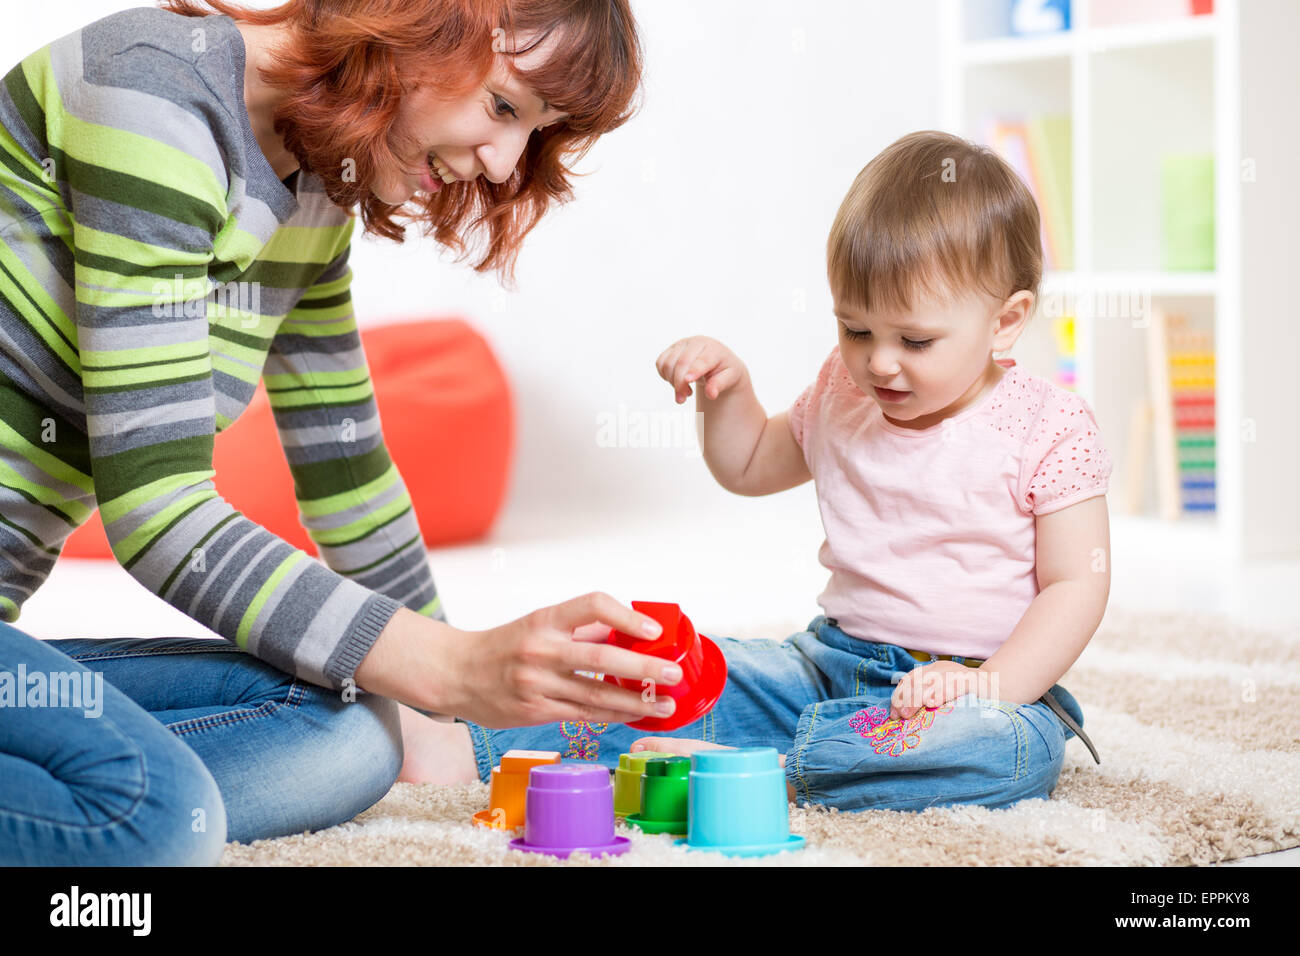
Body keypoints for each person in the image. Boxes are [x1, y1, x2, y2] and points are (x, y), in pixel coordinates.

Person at [0, 0, 675, 865]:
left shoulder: (314, 193)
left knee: (354, 733)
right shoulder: (150, 88)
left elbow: (348, 474)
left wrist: (440, 712)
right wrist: (451, 665)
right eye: (506, 106)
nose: (506, 166)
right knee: (152, 822)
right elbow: (158, 512)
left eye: (533, 132)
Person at [442, 130, 1113, 812]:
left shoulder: (1048, 427)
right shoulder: (846, 393)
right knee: (677, 676)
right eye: (856, 331)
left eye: (914, 341)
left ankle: (770, 770)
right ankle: (472, 746)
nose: (880, 362)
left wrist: (992, 685)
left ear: (1006, 322)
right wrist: (727, 393)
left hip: (980, 687)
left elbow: (1074, 587)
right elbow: (751, 464)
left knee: (1006, 755)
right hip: (827, 669)